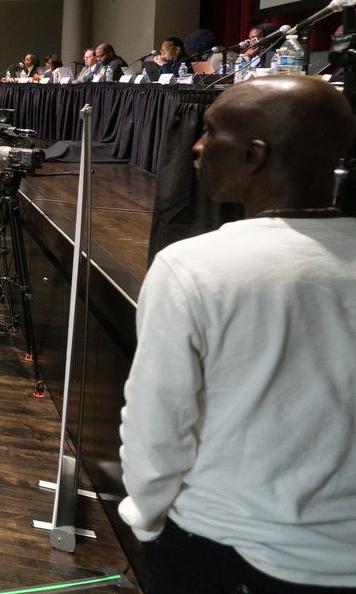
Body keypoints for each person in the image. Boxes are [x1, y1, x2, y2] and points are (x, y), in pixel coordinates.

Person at [119, 77, 356, 593]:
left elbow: (157, 421)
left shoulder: (192, 268)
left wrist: (145, 516)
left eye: (209, 131)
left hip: (220, 546)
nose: (197, 147)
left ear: (254, 155)